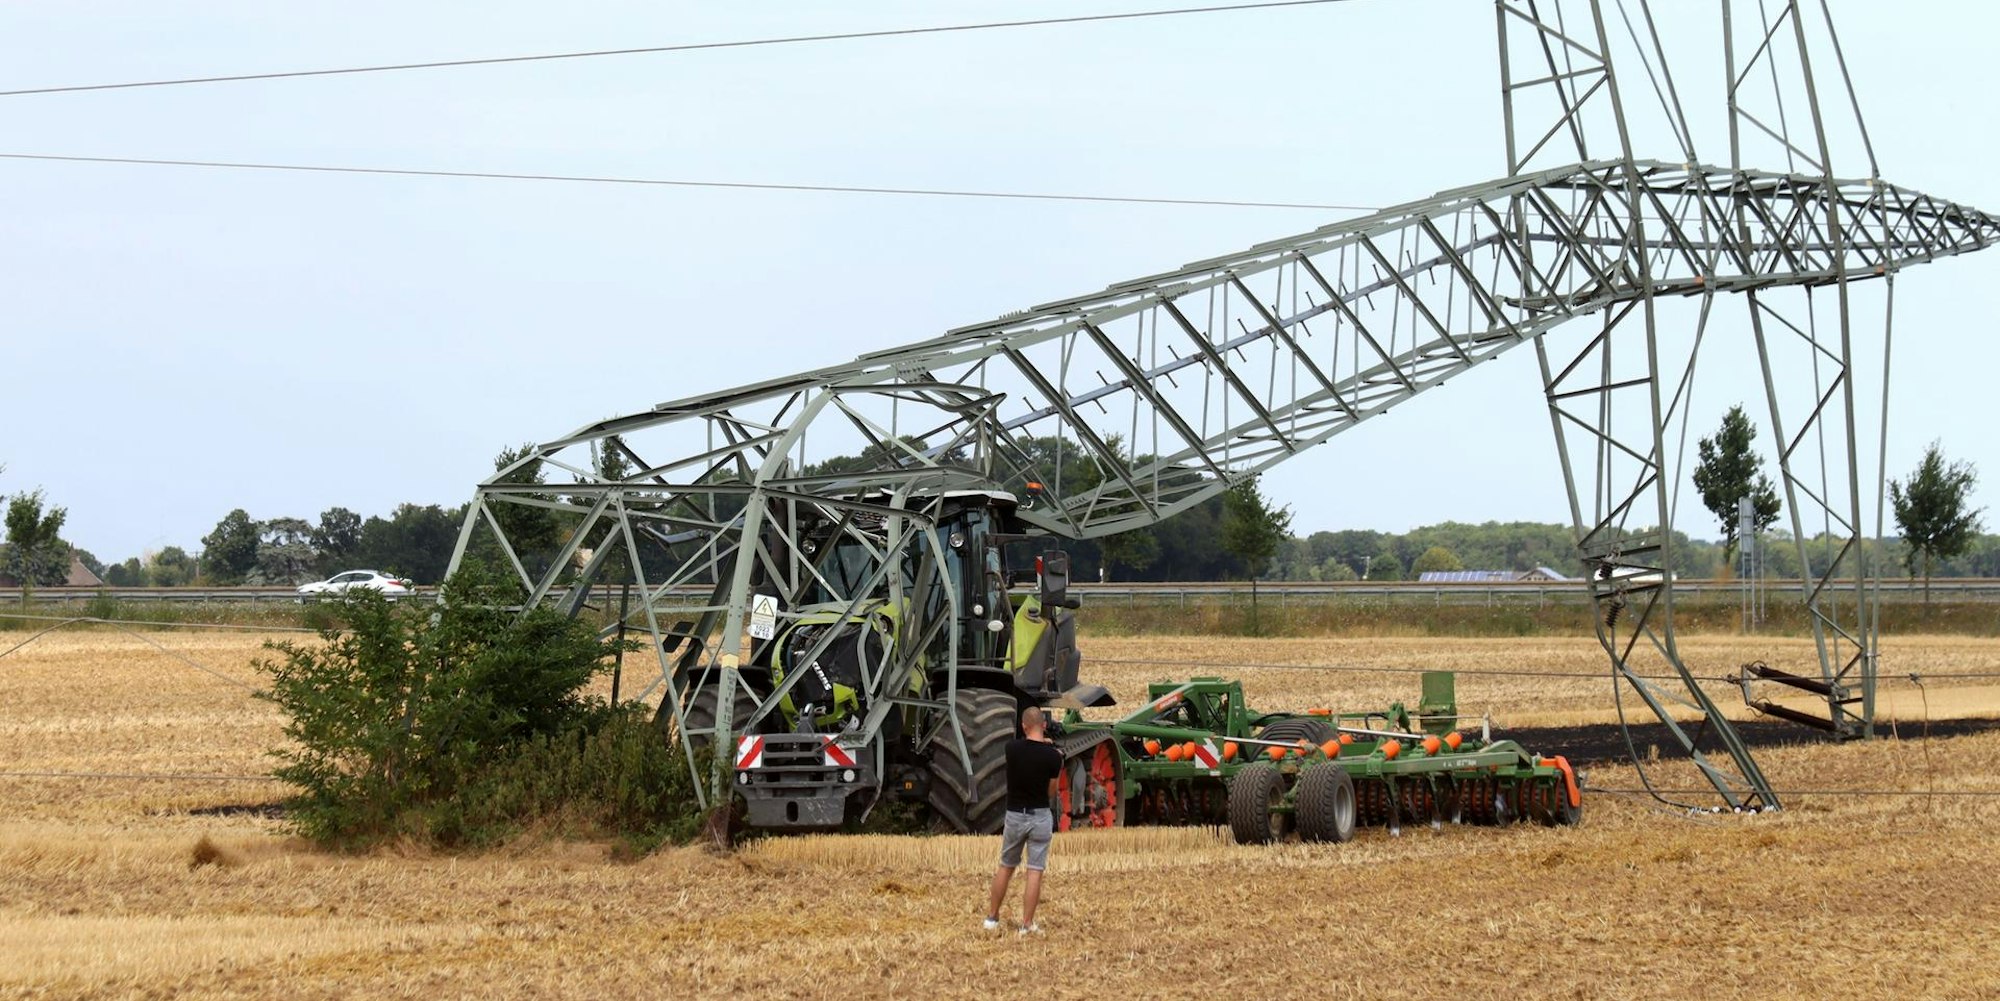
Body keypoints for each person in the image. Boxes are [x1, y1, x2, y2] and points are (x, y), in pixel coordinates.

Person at [983, 706, 1064, 934]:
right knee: (1034, 871)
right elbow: (1051, 791)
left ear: (1023, 726)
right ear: (1045, 725)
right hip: (1039, 816)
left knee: (1006, 866)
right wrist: (1050, 752)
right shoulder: (1053, 758)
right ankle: (1027, 924)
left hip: (1015, 815)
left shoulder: (1012, 749)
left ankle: (992, 918)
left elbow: (1025, 746)